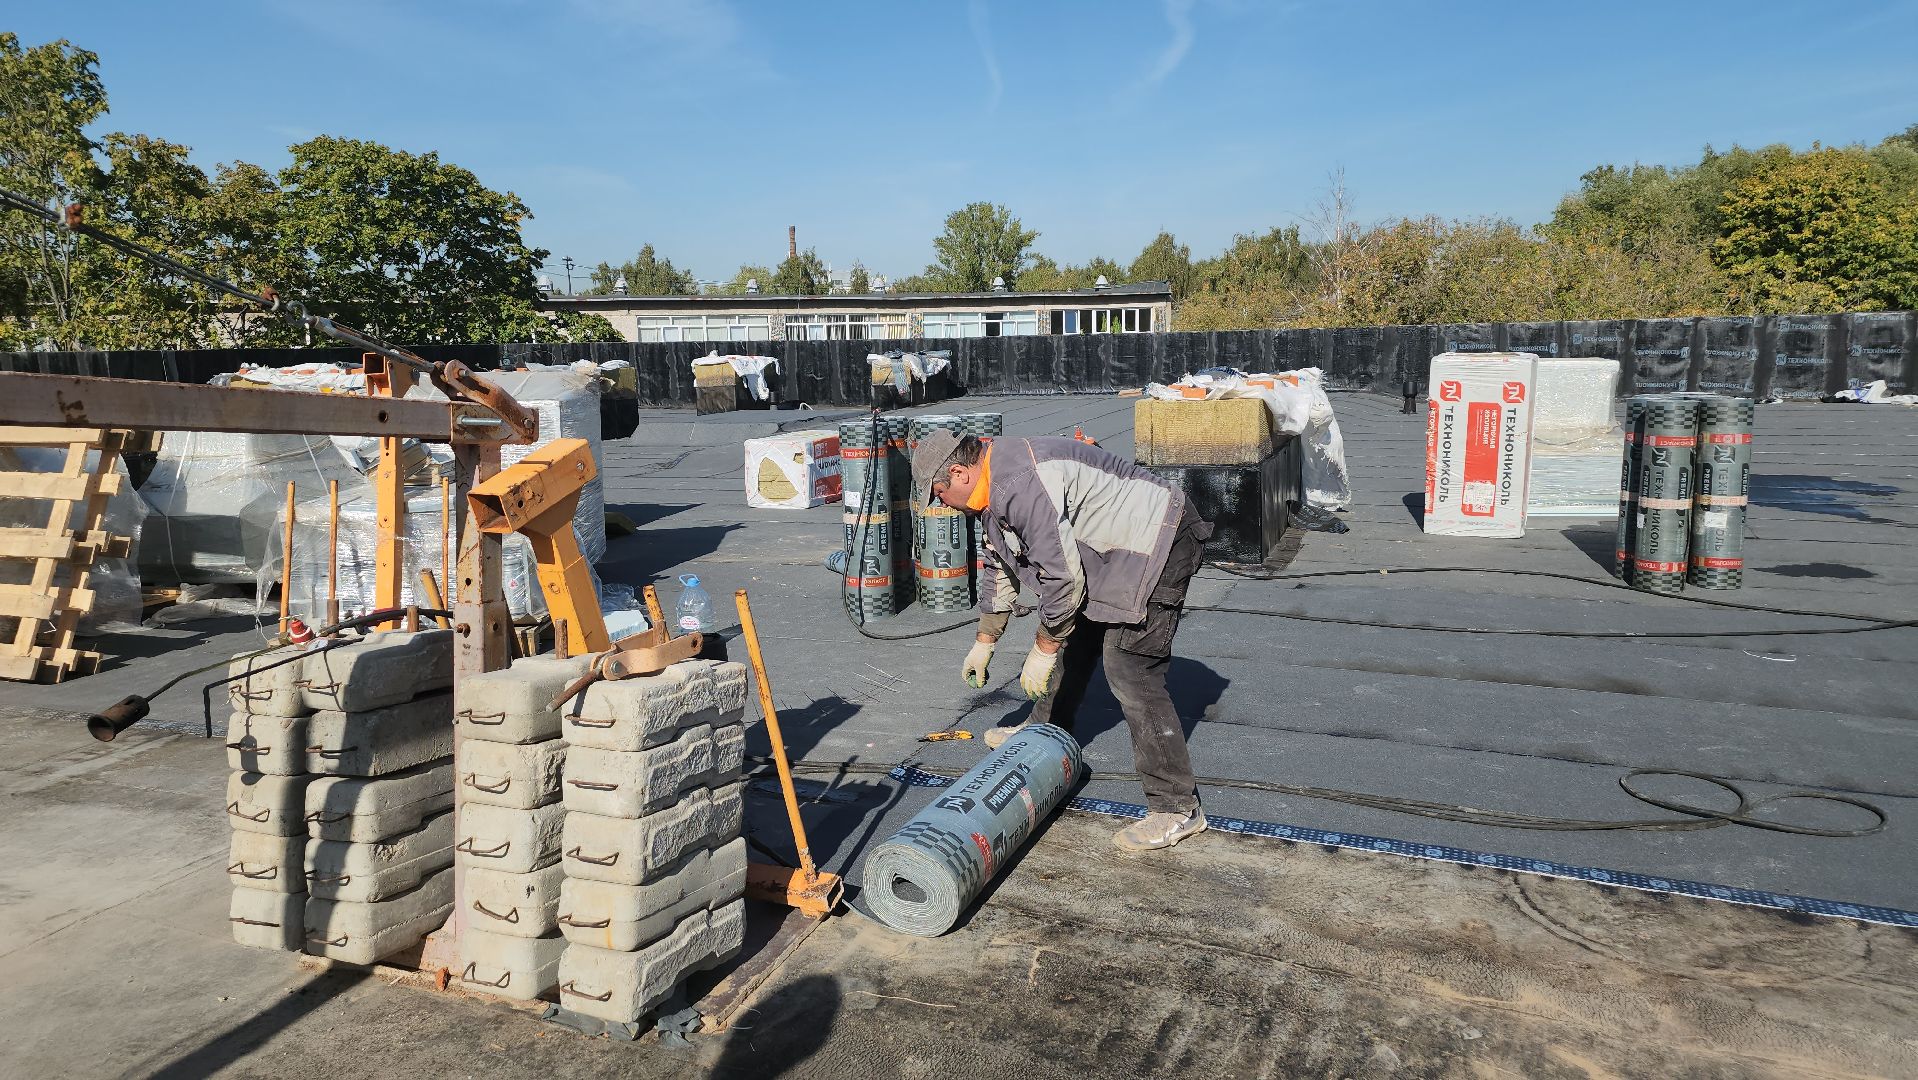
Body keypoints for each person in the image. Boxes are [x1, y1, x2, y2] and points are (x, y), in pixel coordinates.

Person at [910, 429, 1213, 852]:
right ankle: (1044, 733)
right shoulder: (991, 489)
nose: (940, 503)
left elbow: (1063, 578)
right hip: (1111, 551)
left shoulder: (1017, 482)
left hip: (1160, 539)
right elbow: (1001, 566)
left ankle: (1177, 808)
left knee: (1129, 665)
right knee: (1078, 634)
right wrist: (986, 638)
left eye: (939, 493)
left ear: (959, 473)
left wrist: (1044, 646)